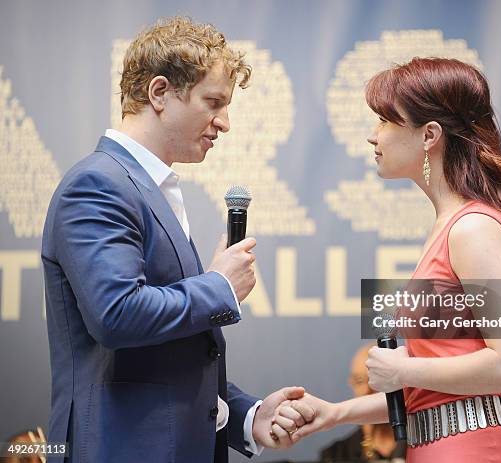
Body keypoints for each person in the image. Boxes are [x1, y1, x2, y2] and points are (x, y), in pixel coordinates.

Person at [41, 17, 309, 463]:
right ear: (159, 92)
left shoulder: (148, 186)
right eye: (213, 102)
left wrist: (247, 415)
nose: (224, 123)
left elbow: (169, 355)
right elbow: (117, 316)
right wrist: (219, 287)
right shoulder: (98, 183)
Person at [278, 58, 501, 462]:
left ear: (429, 134)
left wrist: (405, 369)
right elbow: (438, 387)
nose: (372, 137)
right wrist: (336, 413)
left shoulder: (472, 229)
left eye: (384, 121)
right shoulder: (451, 227)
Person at [320, 343, 406, 462]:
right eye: (360, 381)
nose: (367, 390)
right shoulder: (335, 455)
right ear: (352, 383)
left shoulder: (422, 443)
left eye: (376, 380)